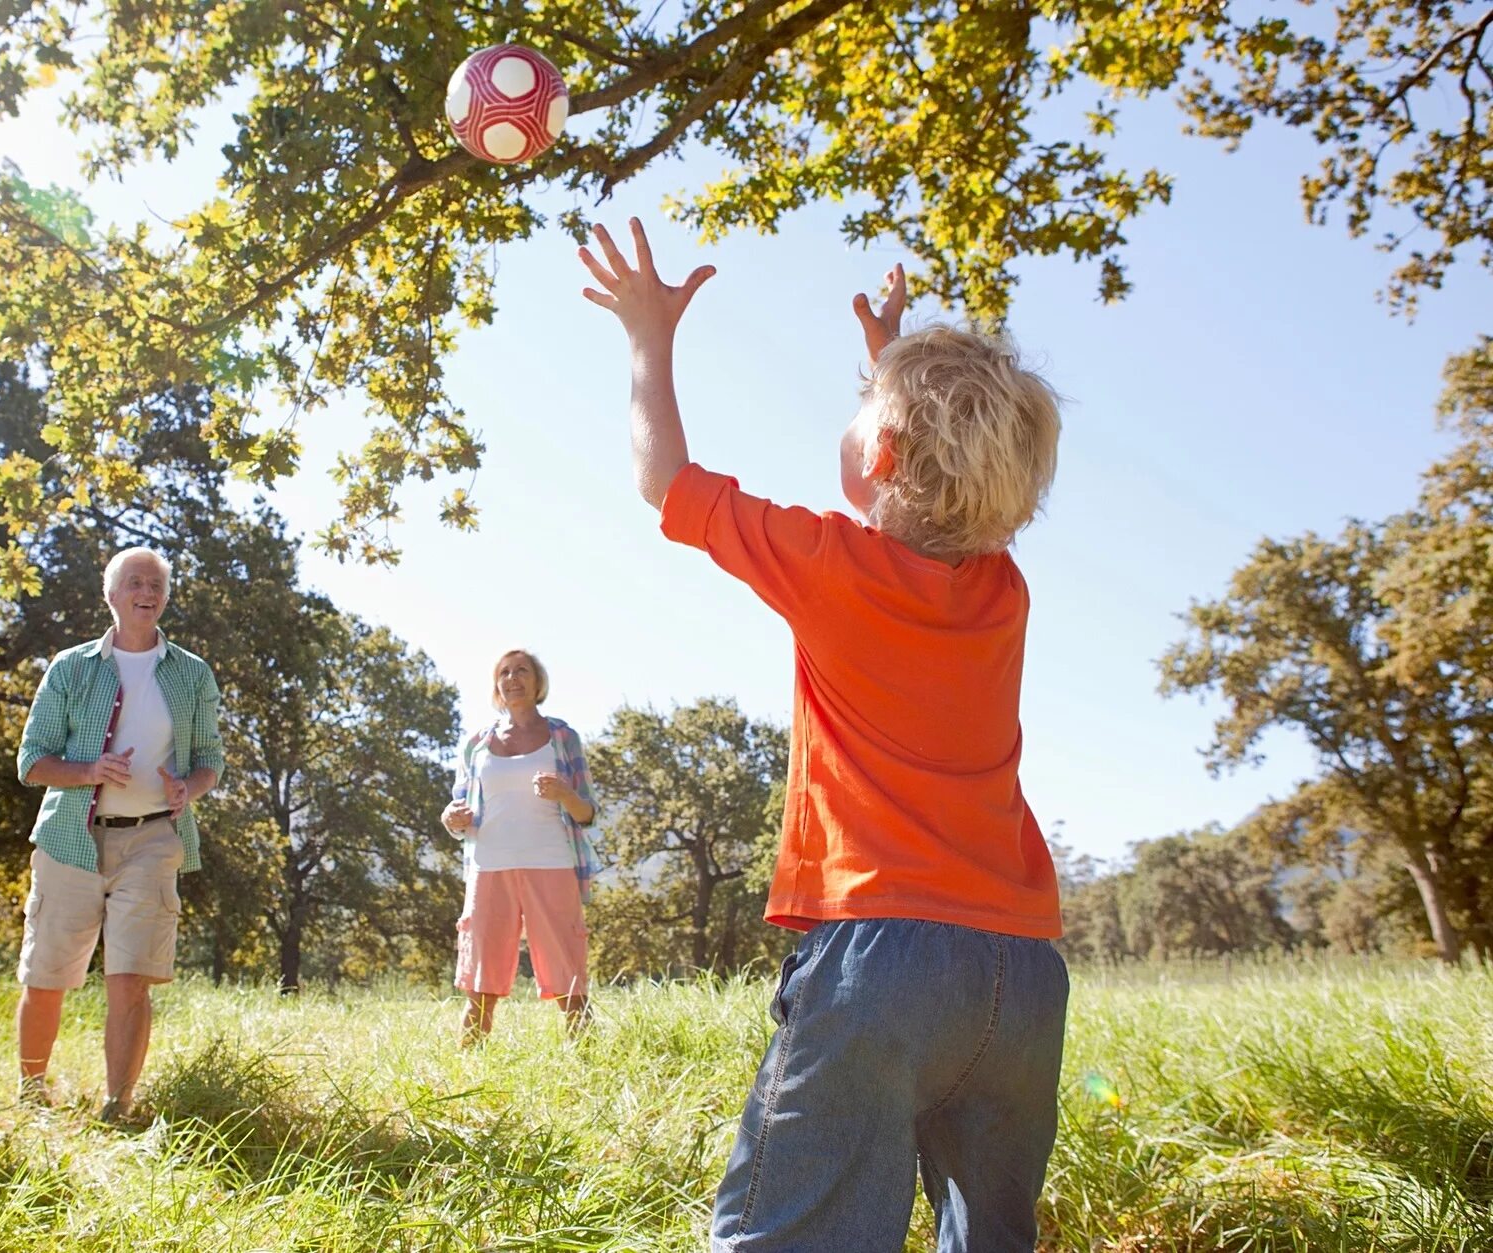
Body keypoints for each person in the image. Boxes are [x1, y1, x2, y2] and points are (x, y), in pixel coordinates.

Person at [580, 219, 1067, 1252]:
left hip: (880, 957)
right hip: (1019, 972)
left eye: (862, 409)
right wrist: (887, 362)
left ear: (879, 450)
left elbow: (661, 477)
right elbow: (937, 480)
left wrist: (647, 336)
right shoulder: (1002, 590)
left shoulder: (827, 561)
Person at [13, 546, 223, 1121]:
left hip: (154, 839)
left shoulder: (191, 673)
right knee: (48, 974)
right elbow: (31, 760)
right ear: (111, 595)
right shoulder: (71, 666)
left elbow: (210, 760)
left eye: (156, 584)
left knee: (130, 978)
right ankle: (32, 1096)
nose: (146, 591)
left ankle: (117, 1105)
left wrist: (190, 788)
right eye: (134, 581)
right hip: (70, 839)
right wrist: (89, 772)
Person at [442, 648, 601, 1044]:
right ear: (497, 686)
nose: (513, 678)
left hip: (551, 862)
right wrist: (451, 819)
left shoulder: (563, 738)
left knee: (569, 973)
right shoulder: (476, 743)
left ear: (537, 682)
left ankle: (586, 1059)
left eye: (522, 671)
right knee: (479, 979)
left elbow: (587, 813)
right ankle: (467, 1064)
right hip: (488, 866)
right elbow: (457, 808)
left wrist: (565, 794)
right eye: (505, 672)